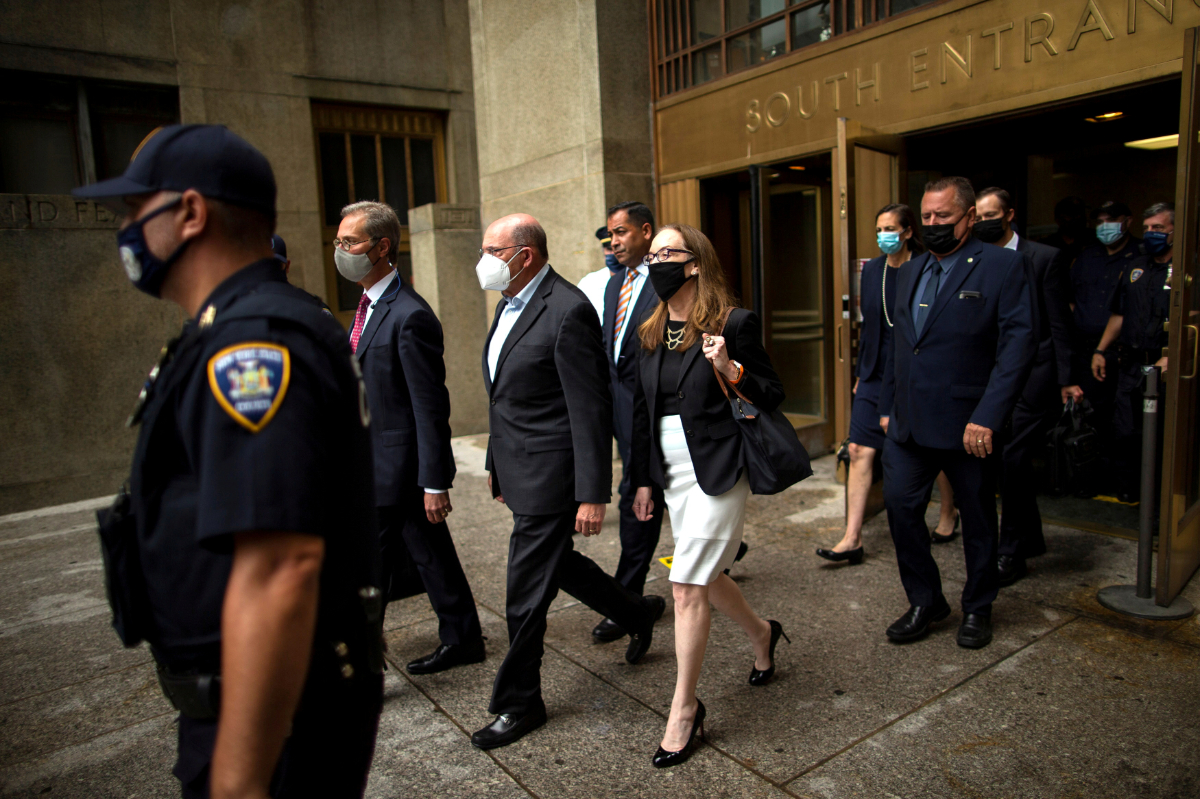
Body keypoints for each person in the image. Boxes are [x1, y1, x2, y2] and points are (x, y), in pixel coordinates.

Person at [74, 124, 384, 798]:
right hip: (264, 703)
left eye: (135, 210)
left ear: (190, 211)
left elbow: (279, 566)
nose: (125, 230)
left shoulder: (252, 344)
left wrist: (239, 783)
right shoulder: (234, 327)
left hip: (274, 717)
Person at [472, 213, 665, 750]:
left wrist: (591, 493)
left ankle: (519, 702)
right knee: (558, 564)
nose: (483, 259)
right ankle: (635, 610)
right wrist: (495, 461)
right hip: (518, 466)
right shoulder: (509, 303)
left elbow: (589, 406)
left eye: (493, 249)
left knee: (524, 592)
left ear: (525, 255)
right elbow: (503, 397)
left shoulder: (567, 309)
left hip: (552, 475)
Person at [629, 223, 787, 768]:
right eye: (651, 257)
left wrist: (728, 366)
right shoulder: (649, 330)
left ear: (695, 262)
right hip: (669, 469)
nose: (656, 263)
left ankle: (684, 709)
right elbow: (640, 412)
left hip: (719, 467)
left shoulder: (732, 323)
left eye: (666, 253)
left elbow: (771, 391)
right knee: (707, 575)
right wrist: (642, 478)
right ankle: (764, 633)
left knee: (685, 583)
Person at [878, 177, 1035, 650]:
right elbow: (899, 346)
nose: (932, 225)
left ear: (969, 217)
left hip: (970, 426)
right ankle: (927, 600)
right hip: (907, 425)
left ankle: (978, 606)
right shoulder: (910, 270)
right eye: (926, 217)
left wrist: (988, 415)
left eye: (942, 216)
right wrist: (886, 408)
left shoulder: (1004, 268)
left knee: (979, 520)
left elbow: (1017, 347)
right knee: (902, 510)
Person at [336, 200, 486, 674]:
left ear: (382, 248)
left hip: (398, 469)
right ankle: (463, 637)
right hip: (374, 462)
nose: (341, 250)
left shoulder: (409, 314)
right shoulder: (366, 306)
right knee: (430, 553)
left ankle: (359, 660)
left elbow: (429, 404)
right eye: (338, 241)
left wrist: (435, 481)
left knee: (370, 567)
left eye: (350, 242)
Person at [817, 204, 959, 562]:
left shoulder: (927, 267)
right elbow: (868, 326)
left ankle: (948, 512)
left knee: (930, 450)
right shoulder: (874, 270)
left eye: (891, 229)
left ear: (909, 231)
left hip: (913, 373)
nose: (884, 237)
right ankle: (852, 538)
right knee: (859, 450)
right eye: (879, 229)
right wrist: (862, 374)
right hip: (875, 373)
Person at [974, 187, 1077, 586]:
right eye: (977, 216)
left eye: (990, 215)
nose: (984, 222)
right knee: (1001, 462)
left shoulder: (1043, 258)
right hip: (992, 377)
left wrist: (1067, 379)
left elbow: (1059, 323)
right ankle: (1028, 539)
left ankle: (1011, 551)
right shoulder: (978, 260)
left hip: (1034, 375)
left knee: (1014, 461)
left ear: (1010, 214)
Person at [590, 201, 668, 644]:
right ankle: (727, 552)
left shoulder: (665, 282)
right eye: (610, 234)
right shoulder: (614, 282)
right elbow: (611, 347)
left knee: (640, 496)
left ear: (645, 231)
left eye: (621, 233)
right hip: (622, 407)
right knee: (644, 492)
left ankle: (627, 599)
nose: (614, 241)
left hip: (659, 410)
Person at [1091, 202, 1174, 502]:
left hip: (1166, 369)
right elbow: (1120, 314)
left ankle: (1161, 504)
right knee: (1126, 433)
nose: (1151, 233)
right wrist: (1100, 349)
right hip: (1131, 366)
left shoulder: (1186, 271)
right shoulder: (1136, 267)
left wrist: (1174, 354)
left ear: (1174, 232)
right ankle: (1132, 491)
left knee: (1163, 438)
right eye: (1148, 228)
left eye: (1159, 229)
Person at [1070, 200, 1142, 489]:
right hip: (1088, 350)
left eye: (1110, 220)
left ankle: (1126, 481)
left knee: (1126, 422)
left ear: (1127, 221)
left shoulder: (1141, 257)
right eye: (1099, 221)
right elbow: (1071, 299)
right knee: (1093, 415)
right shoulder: (1086, 257)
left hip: (1124, 351)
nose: (1104, 227)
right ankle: (1093, 478)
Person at [1038, 196, 1095, 270]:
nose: (1077, 218)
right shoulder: (1047, 245)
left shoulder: (1094, 239)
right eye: (1071, 215)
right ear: (1058, 219)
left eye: (1080, 213)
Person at [577, 225, 621, 318]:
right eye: (609, 249)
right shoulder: (589, 283)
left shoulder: (639, 278)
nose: (613, 253)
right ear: (603, 250)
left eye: (616, 248)